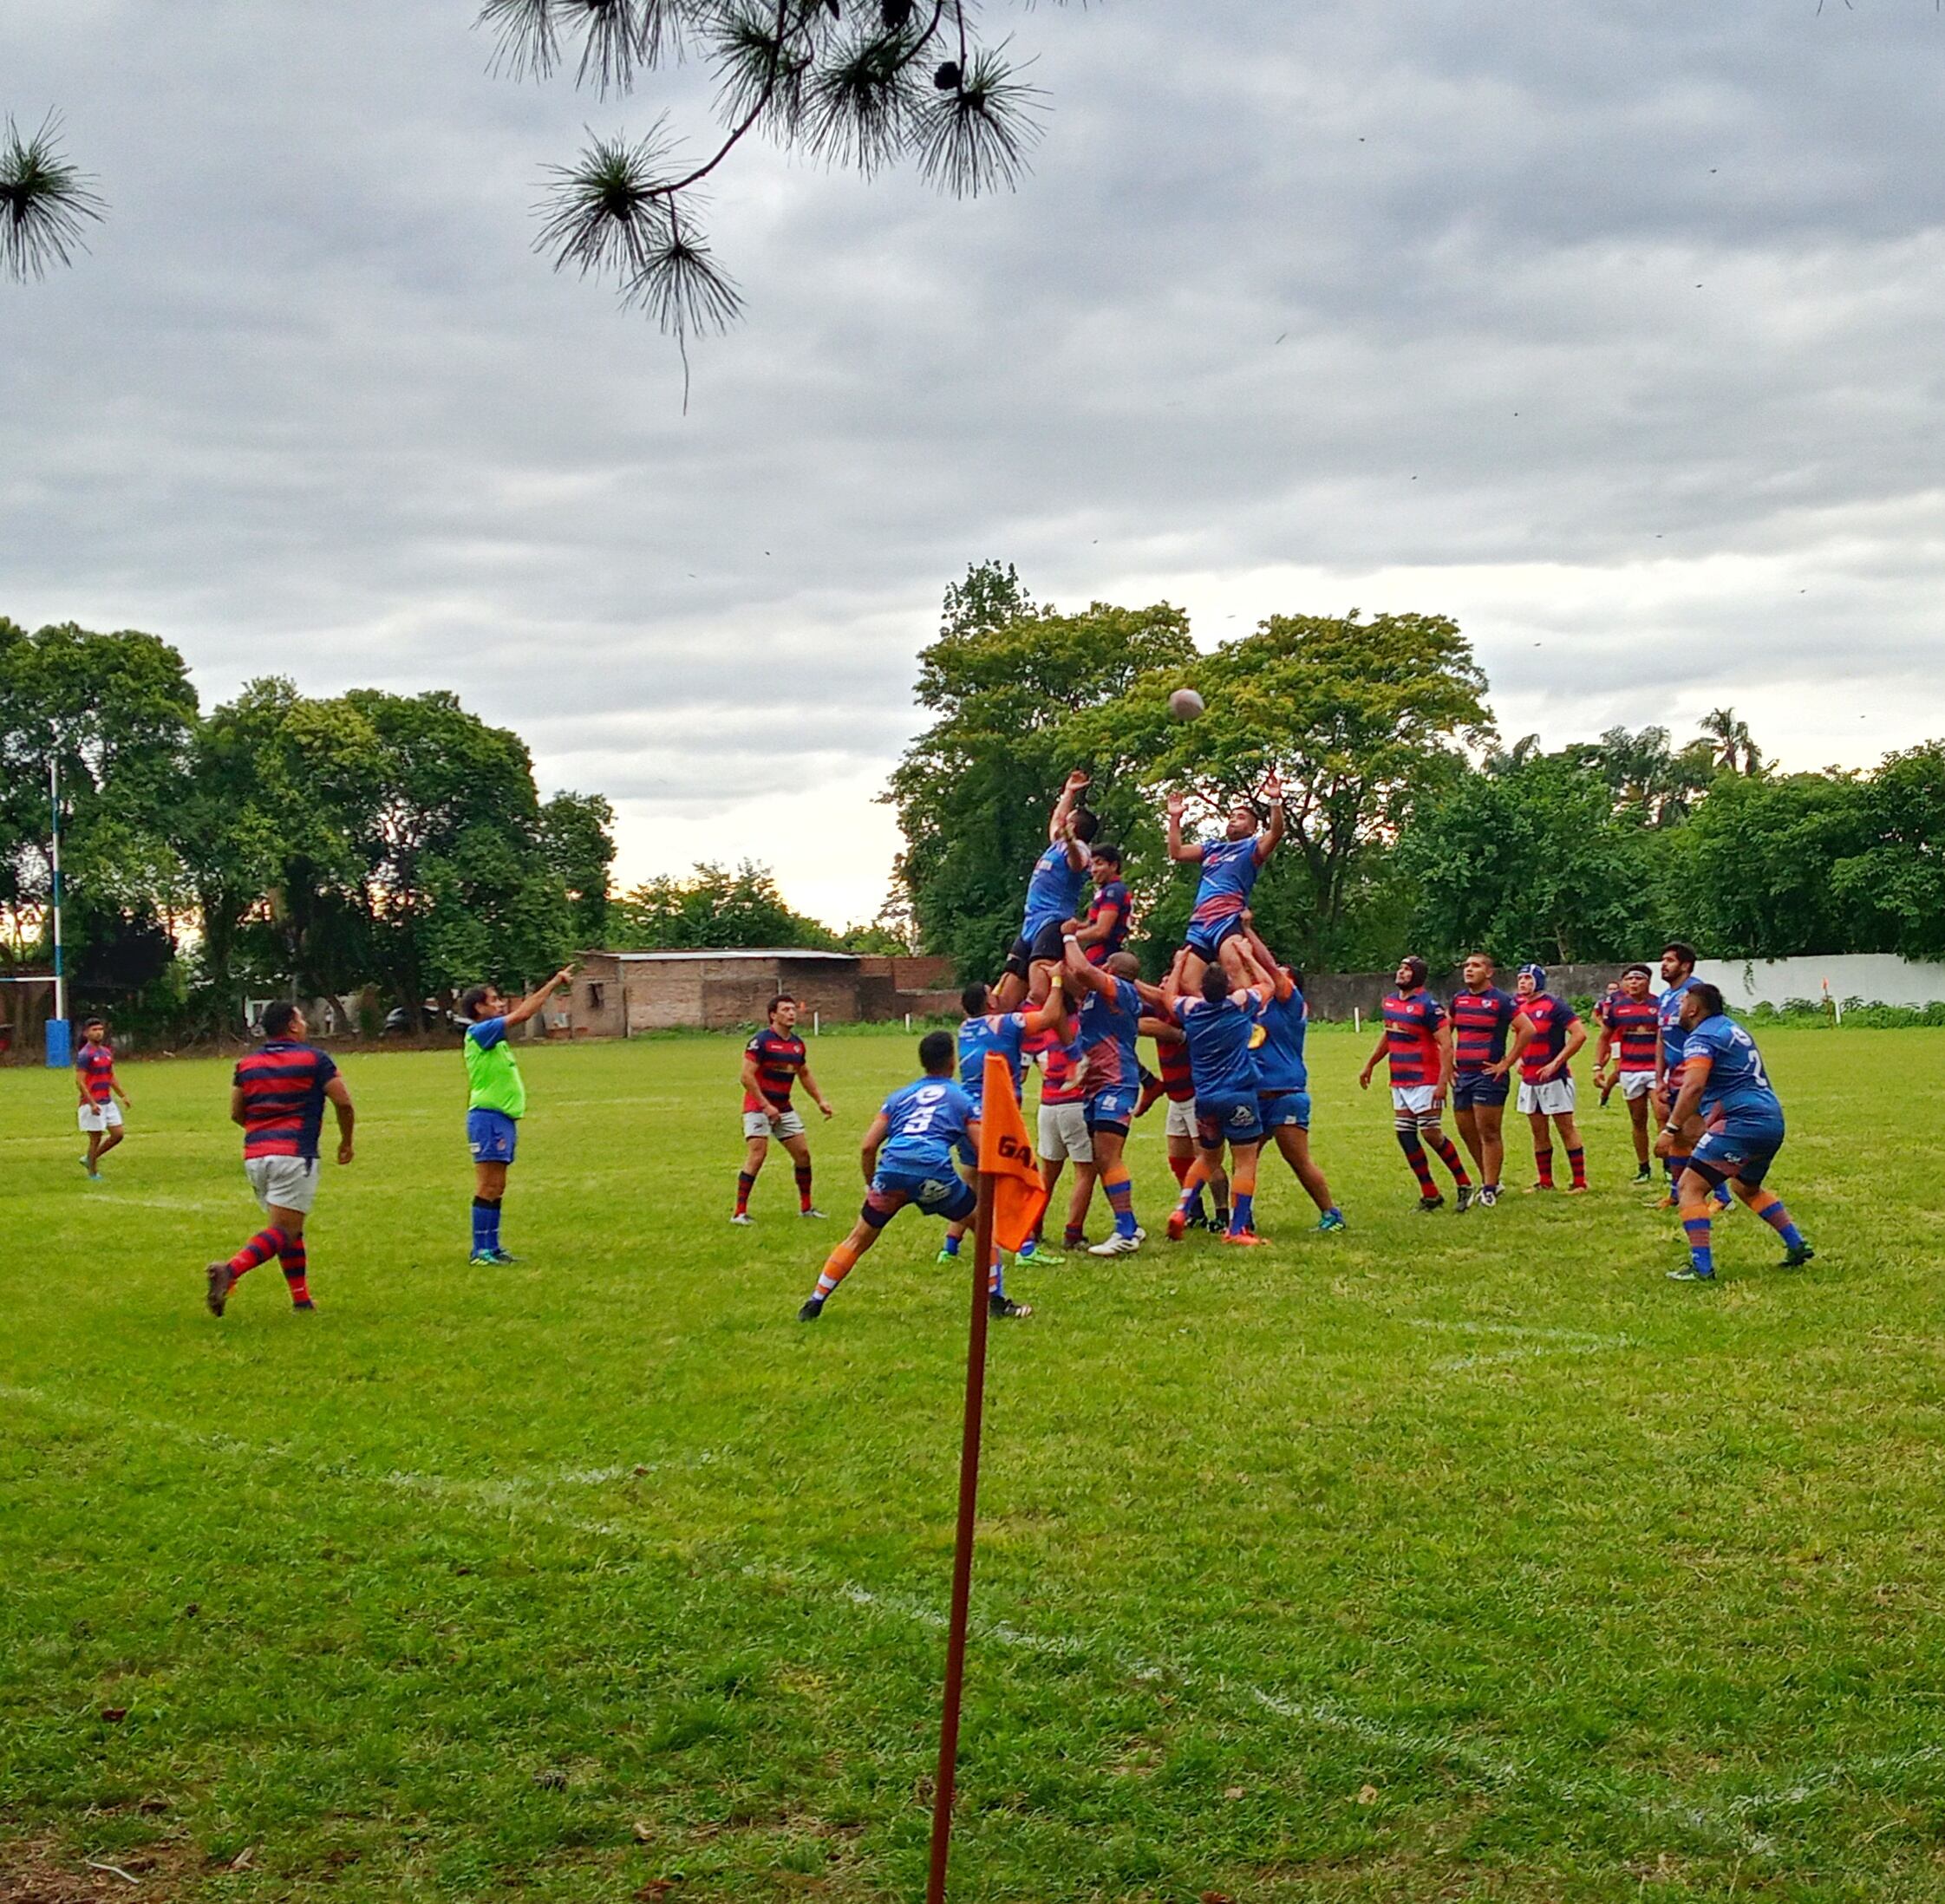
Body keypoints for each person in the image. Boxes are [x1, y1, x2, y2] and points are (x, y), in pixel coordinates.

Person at [800, 1030, 1030, 1321]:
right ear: (952, 1061)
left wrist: (872, 1184)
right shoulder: (961, 1098)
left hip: (892, 1170)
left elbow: (869, 1146)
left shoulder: (898, 1097)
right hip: (932, 1172)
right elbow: (983, 1149)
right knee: (984, 1227)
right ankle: (997, 1302)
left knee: (858, 1238)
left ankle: (814, 1303)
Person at [205, 1001, 354, 1317]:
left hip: (255, 1157)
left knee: (289, 1229)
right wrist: (346, 1141)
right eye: (301, 1018)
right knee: (283, 1231)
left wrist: (262, 1131)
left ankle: (301, 1299)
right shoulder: (315, 1059)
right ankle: (230, 1270)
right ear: (292, 1025)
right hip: (294, 1155)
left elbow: (235, 1112)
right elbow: (343, 1102)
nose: (305, 1024)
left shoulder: (247, 1064)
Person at [1659, 982, 1812, 1282]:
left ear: (1693, 1009)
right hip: (1770, 1119)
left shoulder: (1701, 1037)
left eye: (1682, 1004)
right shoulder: (1730, 1028)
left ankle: (1701, 1267)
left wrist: (1671, 1128)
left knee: (1690, 1188)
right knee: (1746, 1187)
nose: (1678, 1009)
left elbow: (1693, 1085)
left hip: (1741, 1122)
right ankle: (1796, 1244)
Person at [938, 977, 1067, 1282]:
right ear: (990, 1003)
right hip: (997, 1116)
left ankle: (949, 1247)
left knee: (971, 1182)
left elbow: (987, 1000)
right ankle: (1025, 1250)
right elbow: (1049, 1016)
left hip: (967, 1115)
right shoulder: (1005, 1024)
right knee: (1014, 1180)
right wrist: (1058, 980)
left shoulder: (965, 1028)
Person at [1061, 934, 1171, 1255]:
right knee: (1101, 1157)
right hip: (1098, 1083)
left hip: (1115, 1082)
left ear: (1110, 968)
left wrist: (1069, 934)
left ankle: (1124, 1230)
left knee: (1108, 1157)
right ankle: (1129, 1225)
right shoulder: (1099, 994)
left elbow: (1081, 970)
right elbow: (1072, 978)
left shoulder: (1118, 990)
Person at [460, 964, 576, 1265]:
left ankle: (493, 1247)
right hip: (487, 1118)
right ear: (479, 1007)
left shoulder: (494, 1039)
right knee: (487, 1184)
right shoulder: (480, 1031)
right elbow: (523, 1014)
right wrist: (554, 983)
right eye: (494, 999)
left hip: (502, 1119)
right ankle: (480, 1251)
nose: (500, 1004)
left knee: (498, 1185)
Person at [1160, 941, 1273, 1244]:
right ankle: (1237, 1229)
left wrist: (1180, 963)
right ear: (1227, 987)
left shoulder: (1192, 1011)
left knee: (1208, 1158)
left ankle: (1182, 1209)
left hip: (1205, 1099)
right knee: (1245, 1161)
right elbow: (1269, 984)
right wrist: (1248, 957)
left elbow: (1170, 997)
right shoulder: (1238, 1006)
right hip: (1239, 1095)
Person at [1241, 918, 1344, 1231]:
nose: (1272, 981)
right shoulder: (1258, 1006)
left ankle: (1332, 1214)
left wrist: (1248, 934)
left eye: (1282, 979)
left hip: (1286, 1094)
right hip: (1256, 1095)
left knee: (1298, 1160)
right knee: (1244, 1160)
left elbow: (1268, 970)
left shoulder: (1291, 1005)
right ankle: (1242, 1220)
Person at [1360, 956, 1472, 1211]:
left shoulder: (1428, 1007)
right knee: (1405, 1134)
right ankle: (1430, 1193)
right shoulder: (1390, 1002)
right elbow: (1390, 1035)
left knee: (1431, 1133)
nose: (1401, 972)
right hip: (1400, 1079)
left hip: (1425, 1079)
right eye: (1400, 968)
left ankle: (1464, 1184)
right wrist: (1370, 1064)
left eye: (1407, 970)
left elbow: (1446, 1045)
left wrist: (1442, 1083)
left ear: (1418, 976)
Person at [1166, 773, 1285, 990]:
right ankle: (1211, 1021)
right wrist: (1175, 818)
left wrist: (1275, 801)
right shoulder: (1212, 848)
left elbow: (1276, 832)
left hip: (1227, 919)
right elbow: (1177, 852)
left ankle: (1248, 1020)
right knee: (1187, 981)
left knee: (1234, 967)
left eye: (1240, 817)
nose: (1233, 819)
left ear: (1252, 829)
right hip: (1200, 923)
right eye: (1232, 816)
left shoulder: (1251, 847)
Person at [995, 770, 1097, 1010]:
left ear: (1073, 826)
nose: (1061, 819)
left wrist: (1071, 840)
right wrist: (1069, 792)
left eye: (1068, 819)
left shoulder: (1079, 848)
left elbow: (1078, 863)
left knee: (1040, 987)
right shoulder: (1057, 843)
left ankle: (1087, 996)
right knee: (1006, 994)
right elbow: (1057, 818)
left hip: (1053, 920)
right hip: (1031, 922)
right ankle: (1012, 1039)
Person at [733, 994, 835, 1223]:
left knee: (803, 1155)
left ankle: (806, 1208)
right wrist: (765, 1105)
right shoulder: (761, 1042)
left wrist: (820, 1100)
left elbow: (804, 1073)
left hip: (783, 1107)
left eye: (793, 1009)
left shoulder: (797, 1045)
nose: (791, 1013)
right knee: (757, 1155)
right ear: (773, 1015)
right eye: (785, 1010)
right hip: (757, 1107)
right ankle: (739, 1213)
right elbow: (746, 1077)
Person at [1446, 954, 1527, 1207]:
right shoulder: (1459, 1000)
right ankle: (1489, 1179)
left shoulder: (1501, 1001)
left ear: (1489, 972)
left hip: (1488, 1075)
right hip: (1463, 1075)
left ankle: (1489, 1187)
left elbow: (1527, 1029)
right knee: (1466, 1130)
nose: (1469, 969)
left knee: (1488, 1131)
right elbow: (1445, 1033)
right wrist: (1446, 1065)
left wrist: (1506, 1062)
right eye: (1467, 966)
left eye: (1476, 966)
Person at [1511, 964, 1587, 1192]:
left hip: (1554, 1079)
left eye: (1527, 978)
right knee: (1538, 1130)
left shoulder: (1555, 1005)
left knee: (1565, 1128)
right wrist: (1518, 1058)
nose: (1523, 983)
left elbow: (1580, 1034)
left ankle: (1580, 1182)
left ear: (1538, 981)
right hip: (1529, 1078)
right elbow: (1519, 1035)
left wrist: (1557, 1062)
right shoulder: (1519, 1006)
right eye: (1520, 978)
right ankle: (1545, 1181)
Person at [1030, 1018, 1092, 1257]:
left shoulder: (1047, 1026)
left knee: (1048, 1173)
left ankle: (1033, 1227)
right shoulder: (1081, 1024)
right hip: (1074, 1103)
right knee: (1085, 1170)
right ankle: (1073, 1233)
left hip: (1048, 1105)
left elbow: (1041, 1062)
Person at [1595, 964, 1661, 1182]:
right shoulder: (1617, 1007)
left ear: (1648, 982)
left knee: (1663, 1115)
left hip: (1656, 1070)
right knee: (1638, 1120)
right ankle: (1644, 1168)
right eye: (1629, 979)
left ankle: (1671, 1166)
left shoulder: (1659, 1005)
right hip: (1630, 1070)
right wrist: (1598, 1066)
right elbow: (1604, 1037)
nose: (1632, 983)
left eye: (1638, 979)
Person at [1654, 941, 1703, 1206]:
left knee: (1696, 1133)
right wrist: (1659, 1077)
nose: (1664, 965)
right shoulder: (1664, 997)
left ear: (1685, 966)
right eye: (1663, 960)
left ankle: (1722, 1196)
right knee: (1678, 1138)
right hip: (1672, 1075)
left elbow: (1706, 1032)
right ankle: (1676, 1192)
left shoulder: (1696, 993)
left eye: (1670, 960)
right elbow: (1661, 1037)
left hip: (1693, 1072)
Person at [75, 1015, 130, 1179]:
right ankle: (93, 1173)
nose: (98, 1033)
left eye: (100, 1029)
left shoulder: (106, 1052)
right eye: (94, 1030)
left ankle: (89, 1159)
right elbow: (80, 1081)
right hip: (92, 1103)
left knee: (118, 1134)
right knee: (95, 1139)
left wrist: (123, 1095)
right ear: (86, 1033)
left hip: (107, 1101)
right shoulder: (85, 1054)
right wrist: (91, 1103)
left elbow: (110, 1076)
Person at [1074, 843, 1132, 966]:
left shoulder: (1114, 891)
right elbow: (1091, 923)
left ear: (1114, 866)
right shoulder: (1106, 890)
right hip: (1097, 954)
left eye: (1099, 864)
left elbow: (1102, 930)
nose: (1093, 870)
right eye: (1092, 864)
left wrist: (1070, 937)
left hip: (1104, 956)